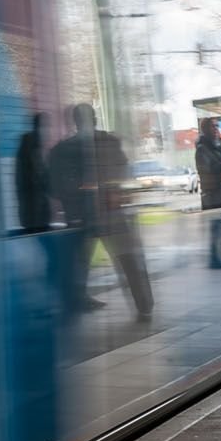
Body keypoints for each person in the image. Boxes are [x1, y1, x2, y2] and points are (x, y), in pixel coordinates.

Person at [49, 102, 153, 320]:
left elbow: (55, 187)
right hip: (109, 212)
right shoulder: (108, 142)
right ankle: (143, 304)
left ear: (75, 122)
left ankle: (73, 304)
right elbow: (123, 171)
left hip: (82, 216)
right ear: (94, 119)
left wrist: (74, 198)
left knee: (79, 263)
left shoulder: (63, 149)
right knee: (127, 261)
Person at [195, 116, 221, 269]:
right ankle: (215, 259)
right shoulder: (202, 149)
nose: (216, 129)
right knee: (215, 229)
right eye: (213, 126)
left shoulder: (220, 145)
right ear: (205, 129)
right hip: (212, 194)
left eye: (217, 126)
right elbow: (206, 171)